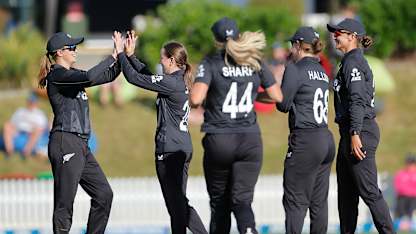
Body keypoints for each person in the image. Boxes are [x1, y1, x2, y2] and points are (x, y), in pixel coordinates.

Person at [190, 17, 283, 234]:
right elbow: (277, 96)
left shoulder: (211, 62)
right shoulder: (254, 61)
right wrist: (253, 98)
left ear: (216, 40)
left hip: (220, 138)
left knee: (219, 203)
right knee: (242, 202)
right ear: (239, 36)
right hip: (250, 140)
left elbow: (196, 99)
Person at [113, 31, 207, 234]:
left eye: (163, 57)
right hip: (182, 146)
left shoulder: (171, 82)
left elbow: (134, 78)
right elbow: (148, 76)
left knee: (176, 205)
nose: (160, 60)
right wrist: (131, 56)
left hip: (170, 149)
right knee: (178, 204)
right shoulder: (178, 80)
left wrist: (120, 53)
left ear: (171, 60)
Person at [38, 31, 121, 233]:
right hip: (65, 141)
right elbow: (91, 75)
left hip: (81, 145)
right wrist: (112, 55)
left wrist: (123, 56)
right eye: (72, 48)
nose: (75, 51)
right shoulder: (58, 75)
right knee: (65, 204)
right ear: (59, 52)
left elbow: (108, 75)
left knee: (103, 195)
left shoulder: (71, 75)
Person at [327, 18, 394, 233]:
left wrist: (355, 132)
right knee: (346, 196)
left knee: (369, 191)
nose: (335, 35)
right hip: (349, 132)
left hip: (360, 130)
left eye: (339, 32)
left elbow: (357, 100)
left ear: (352, 37)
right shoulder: (347, 62)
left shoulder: (353, 62)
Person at [275, 26, 335, 234]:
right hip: (325, 139)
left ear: (298, 45)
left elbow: (283, 105)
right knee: (318, 204)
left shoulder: (295, 68)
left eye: (292, 45)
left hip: (305, 140)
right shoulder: (322, 71)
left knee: (295, 201)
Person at [1, 92, 48, 158]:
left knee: (38, 130)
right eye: (30, 101)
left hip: (30, 133)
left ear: (36, 103)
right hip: (18, 131)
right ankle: (9, 151)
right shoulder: (20, 111)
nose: (31, 103)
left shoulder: (39, 114)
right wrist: (13, 129)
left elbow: (42, 128)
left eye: (33, 102)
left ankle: (26, 152)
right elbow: (12, 123)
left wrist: (33, 129)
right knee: (7, 125)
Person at [393, 154, 416, 226]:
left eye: (412, 164)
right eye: (409, 163)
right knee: (401, 203)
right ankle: (401, 221)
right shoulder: (400, 174)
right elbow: (398, 187)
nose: (410, 166)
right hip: (402, 197)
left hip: (414, 198)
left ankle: (411, 221)